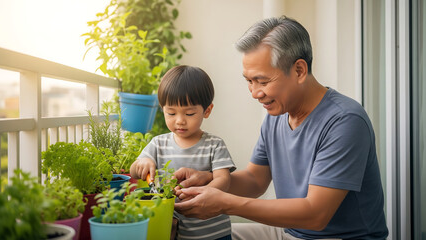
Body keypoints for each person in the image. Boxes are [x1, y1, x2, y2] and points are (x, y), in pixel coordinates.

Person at [173, 16, 389, 240]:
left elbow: (316, 215)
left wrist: (226, 204)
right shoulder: (277, 114)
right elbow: (256, 181)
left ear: (299, 71)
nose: (255, 93)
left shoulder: (345, 121)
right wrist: (211, 180)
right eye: (249, 81)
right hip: (290, 232)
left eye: (263, 81)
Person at [130, 65, 236, 240]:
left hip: (214, 233)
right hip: (176, 232)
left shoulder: (214, 144)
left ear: (207, 111)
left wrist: (203, 196)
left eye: (189, 113)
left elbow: (224, 180)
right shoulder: (158, 144)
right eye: (171, 113)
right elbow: (134, 170)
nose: (179, 121)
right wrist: (143, 163)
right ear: (162, 109)